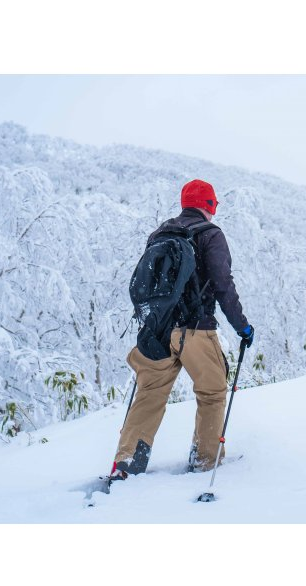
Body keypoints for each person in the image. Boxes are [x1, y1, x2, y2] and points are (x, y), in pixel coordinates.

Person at [109, 179, 254, 481]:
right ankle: (204, 463)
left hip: (156, 332)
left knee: (148, 396)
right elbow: (223, 284)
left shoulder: (160, 234)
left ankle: (126, 464)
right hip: (196, 330)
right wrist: (242, 326)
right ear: (209, 206)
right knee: (212, 393)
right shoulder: (211, 235)